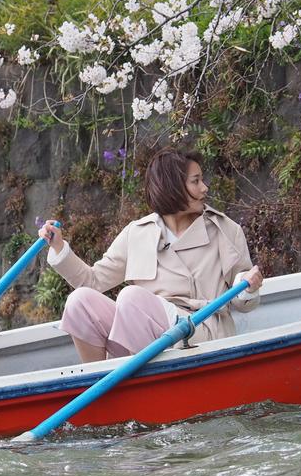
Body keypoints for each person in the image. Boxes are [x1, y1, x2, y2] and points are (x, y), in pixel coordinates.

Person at [37, 148, 264, 362]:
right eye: (196, 181)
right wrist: (58, 247)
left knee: (130, 298)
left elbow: (243, 302)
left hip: (200, 331)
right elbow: (92, 281)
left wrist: (249, 288)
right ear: (172, 187)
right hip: (143, 335)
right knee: (80, 302)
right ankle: (99, 384)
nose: (204, 188)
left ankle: (131, 383)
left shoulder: (224, 230)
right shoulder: (137, 233)